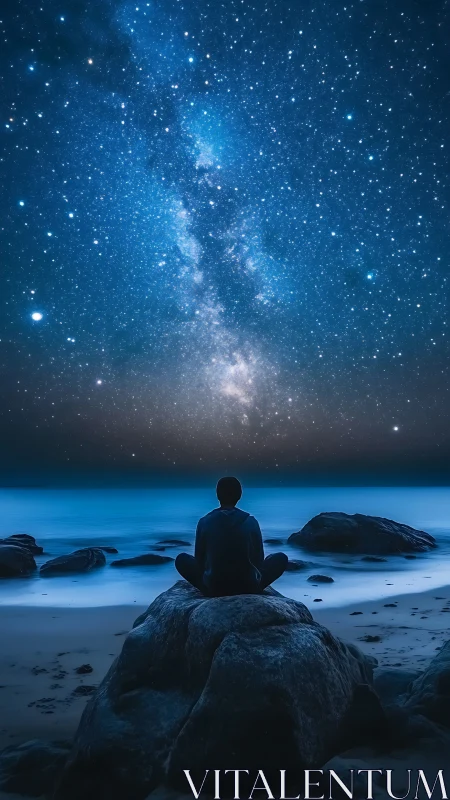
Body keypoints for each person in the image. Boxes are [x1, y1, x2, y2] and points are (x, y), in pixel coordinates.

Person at [175, 476, 288, 597]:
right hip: (249, 586)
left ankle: (207, 589)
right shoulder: (251, 522)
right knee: (280, 558)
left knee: (181, 559)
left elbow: (200, 561)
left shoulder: (204, 522)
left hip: (214, 587)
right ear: (240, 495)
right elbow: (258, 560)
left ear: (217, 495)